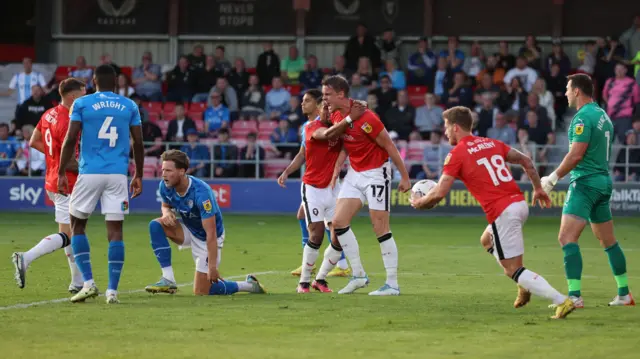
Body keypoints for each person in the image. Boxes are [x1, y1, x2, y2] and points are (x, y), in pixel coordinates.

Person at [410, 106, 575, 319]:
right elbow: (526, 160)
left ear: (456, 127)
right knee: (487, 240)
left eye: (446, 127)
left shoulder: (457, 154)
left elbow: (439, 194)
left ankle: (561, 300)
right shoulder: (491, 143)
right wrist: (538, 188)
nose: (445, 132)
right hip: (518, 203)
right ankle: (523, 284)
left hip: (503, 211)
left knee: (511, 269)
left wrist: (419, 203)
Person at [541, 74, 634, 307]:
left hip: (585, 183)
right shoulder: (603, 115)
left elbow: (576, 154)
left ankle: (574, 296)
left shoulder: (582, 118)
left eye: (567, 89)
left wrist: (552, 178)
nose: (565, 93)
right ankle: (624, 293)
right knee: (608, 241)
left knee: (566, 237)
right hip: (603, 181)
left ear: (577, 92)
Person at [57, 65, 145, 304]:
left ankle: (87, 283)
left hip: (89, 173)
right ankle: (112, 291)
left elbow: (71, 137)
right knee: (116, 231)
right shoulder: (129, 105)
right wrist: (138, 174)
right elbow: (138, 142)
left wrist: (61, 170)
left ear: (93, 80)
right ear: (116, 82)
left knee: (76, 225)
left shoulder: (82, 104)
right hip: (117, 175)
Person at [321, 75, 411, 296]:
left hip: (376, 174)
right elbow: (345, 144)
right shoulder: (336, 114)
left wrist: (405, 177)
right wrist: (336, 169)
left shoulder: (368, 118)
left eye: (327, 95)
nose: (324, 99)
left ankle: (392, 284)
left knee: (380, 227)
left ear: (341, 94)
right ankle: (359, 275)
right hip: (354, 173)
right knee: (338, 223)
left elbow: (389, 145)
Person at [144, 150, 267, 296]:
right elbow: (165, 205)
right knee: (156, 225)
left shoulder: (202, 194)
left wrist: (213, 266)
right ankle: (168, 279)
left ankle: (248, 285)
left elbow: (211, 233)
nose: (163, 174)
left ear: (182, 171)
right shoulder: (165, 185)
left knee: (201, 291)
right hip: (189, 229)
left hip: (207, 237)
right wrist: (167, 213)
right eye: (163, 169)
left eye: (168, 170)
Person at [11, 78, 86, 293]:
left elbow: (33, 141)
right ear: (73, 97)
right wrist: (89, 170)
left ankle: (77, 282)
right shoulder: (68, 120)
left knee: (71, 233)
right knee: (71, 235)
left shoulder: (48, 114)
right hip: (66, 183)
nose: (85, 97)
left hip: (53, 179)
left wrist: (54, 157)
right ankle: (25, 258)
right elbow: (70, 160)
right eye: (83, 94)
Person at [277, 89, 350, 293]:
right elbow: (305, 151)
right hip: (313, 188)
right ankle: (304, 281)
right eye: (302, 101)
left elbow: (348, 144)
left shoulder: (336, 125)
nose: (302, 104)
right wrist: (287, 171)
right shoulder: (310, 127)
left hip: (333, 188)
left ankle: (322, 277)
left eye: (306, 101)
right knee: (316, 234)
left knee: (339, 235)